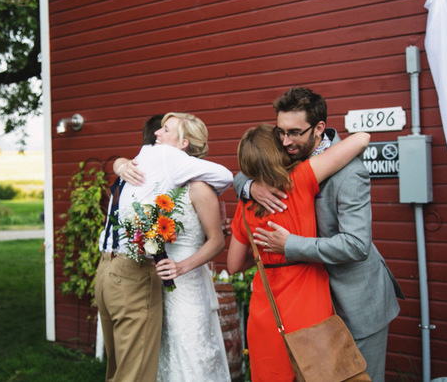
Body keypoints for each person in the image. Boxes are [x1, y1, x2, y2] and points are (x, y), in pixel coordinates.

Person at [233, 87, 404, 382]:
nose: (285, 141)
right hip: (313, 306)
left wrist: (290, 245)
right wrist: (249, 186)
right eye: (280, 132)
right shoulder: (289, 155)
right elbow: (250, 163)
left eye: (295, 132)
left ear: (319, 129)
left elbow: (356, 245)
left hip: (355, 301)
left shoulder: (350, 172)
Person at [95, 113, 232, 382]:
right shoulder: (159, 180)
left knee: (186, 355)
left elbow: (217, 240)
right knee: (150, 360)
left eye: (166, 130)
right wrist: (121, 164)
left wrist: (182, 266)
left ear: (184, 144)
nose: (157, 134)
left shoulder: (198, 183)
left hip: (184, 283)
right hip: (152, 285)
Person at [228, 124, 370, 381]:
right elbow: (360, 140)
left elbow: (234, 264)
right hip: (308, 300)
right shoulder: (300, 179)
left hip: (266, 308)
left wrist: (263, 249)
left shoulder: (245, 204)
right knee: (322, 373)